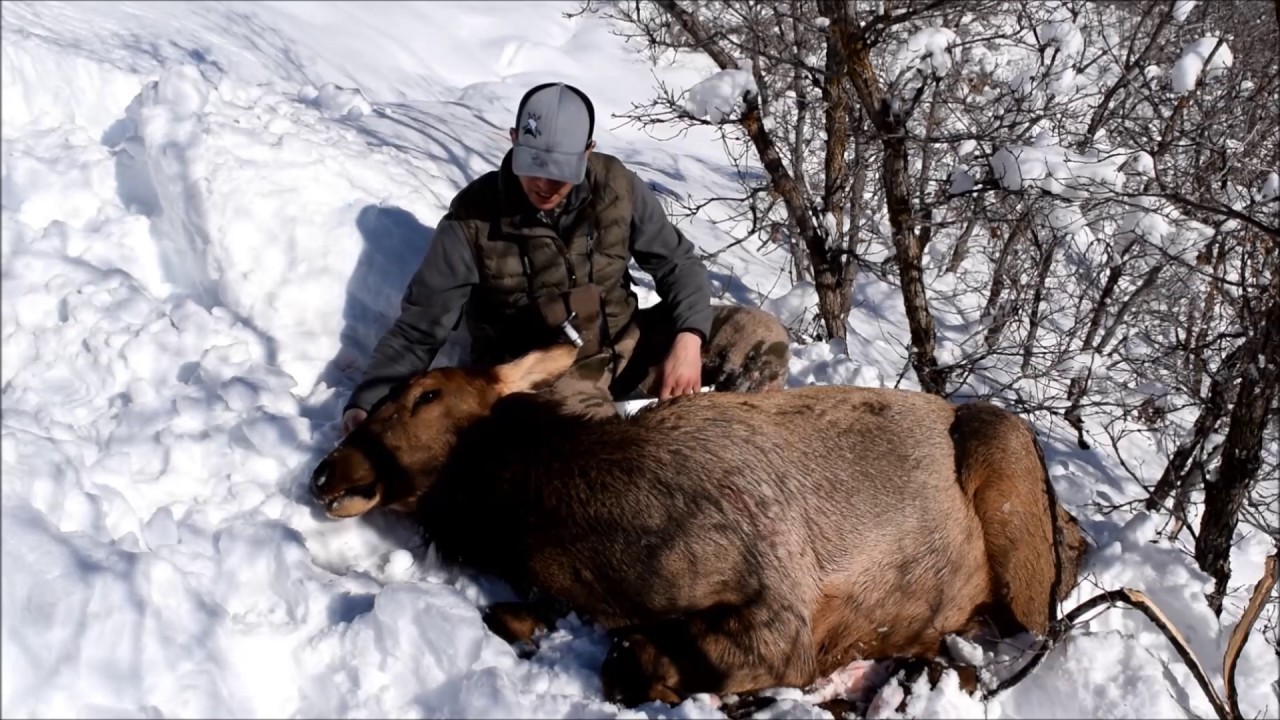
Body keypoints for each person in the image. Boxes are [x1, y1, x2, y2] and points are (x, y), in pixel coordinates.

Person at [342, 81, 791, 432]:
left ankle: (743, 465)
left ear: (587, 153)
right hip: (541, 375)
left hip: (627, 346)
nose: (544, 183)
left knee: (757, 337)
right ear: (514, 139)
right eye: (533, 164)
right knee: (604, 453)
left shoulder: (616, 186)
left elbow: (677, 264)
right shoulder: (472, 219)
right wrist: (368, 402)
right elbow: (421, 327)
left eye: (560, 171)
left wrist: (689, 338)